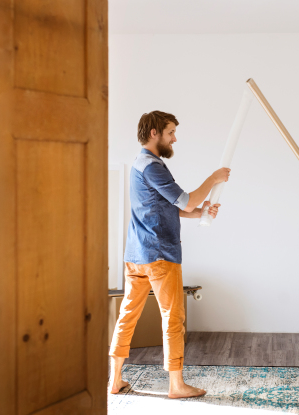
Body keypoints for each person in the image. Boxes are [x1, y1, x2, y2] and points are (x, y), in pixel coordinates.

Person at [108, 111, 230, 398]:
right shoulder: (152, 166)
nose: (175, 138)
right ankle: (177, 385)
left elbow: (170, 208)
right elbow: (186, 200)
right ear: (155, 133)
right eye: (171, 132)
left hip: (136, 254)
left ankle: (115, 380)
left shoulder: (140, 165)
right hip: (160, 254)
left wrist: (201, 212)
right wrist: (213, 178)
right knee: (173, 317)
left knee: (128, 315)